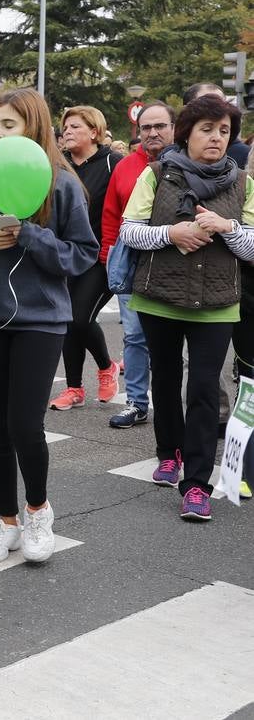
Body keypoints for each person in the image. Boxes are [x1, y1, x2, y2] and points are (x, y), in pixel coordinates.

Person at [0, 88, 96, 565]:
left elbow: (81, 254)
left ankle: (39, 510)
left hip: (42, 322)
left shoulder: (60, 184)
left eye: (10, 125)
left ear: (33, 127)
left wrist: (31, 234)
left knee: (25, 424)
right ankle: (6, 522)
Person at [118, 95, 254, 521]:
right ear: (187, 134)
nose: (216, 138)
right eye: (207, 130)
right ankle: (168, 452)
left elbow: (252, 248)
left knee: (202, 390)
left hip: (217, 303)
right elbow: (129, 231)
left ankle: (196, 484)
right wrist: (172, 233)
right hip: (160, 297)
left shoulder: (243, 183)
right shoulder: (156, 175)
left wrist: (227, 227)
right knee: (167, 378)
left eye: (224, 131)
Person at [49, 105, 121, 410]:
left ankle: (107, 367)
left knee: (79, 318)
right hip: (66, 255)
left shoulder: (112, 162)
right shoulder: (59, 165)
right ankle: (75, 388)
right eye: (65, 127)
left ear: (94, 132)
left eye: (75, 127)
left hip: (100, 256)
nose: (67, 132)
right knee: (68, 321)